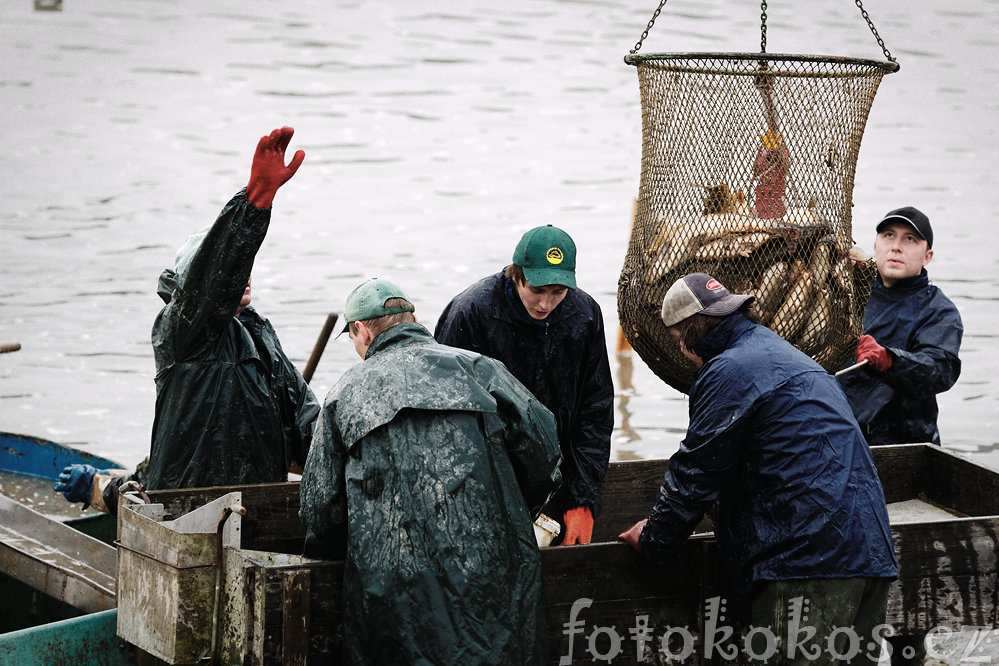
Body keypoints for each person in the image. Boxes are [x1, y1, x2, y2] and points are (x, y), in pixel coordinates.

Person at [619, 273, 898, 663]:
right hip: (872, 553)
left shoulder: (727, 370)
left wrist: (654, 541)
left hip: (805, 565)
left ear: (689, 332)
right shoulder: (792, 357)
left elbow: (694, 475)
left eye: (675, 340)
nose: (679, 351)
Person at [299, 277, 562, 665]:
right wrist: (513, 516)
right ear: (413, 319)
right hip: (490, 574)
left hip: (390, 588)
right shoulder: (479, 368)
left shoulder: (343, 394)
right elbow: (544, 449)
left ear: (360, 331)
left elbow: (321, 510)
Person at [56, 127, 320, 507]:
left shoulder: (261, 337)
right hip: (186, 512)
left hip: (258, 511)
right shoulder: (180, 330)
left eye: (248, 265)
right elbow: (214, 283)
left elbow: (306, 422)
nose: (243, 273)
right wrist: (255, 202)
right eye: (233, 266)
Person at [434, 224, 613, 545]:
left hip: (557, 471)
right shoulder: (471, 313)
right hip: (488, 475)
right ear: (515, 275)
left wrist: (582, 497)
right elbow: (447, 420)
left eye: (557, 293)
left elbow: (595, 410)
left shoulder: (585, 315)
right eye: (537, 290)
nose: (545, 304)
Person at [838, 206, 963, 446]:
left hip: (900, 443)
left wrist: (889, 360)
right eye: (888, 235)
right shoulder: (846, 291)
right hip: (836, 432)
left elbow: (941, 368)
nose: (896, 246)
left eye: (910, 239)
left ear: (928, 256)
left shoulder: (938, 310)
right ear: (875, 246)